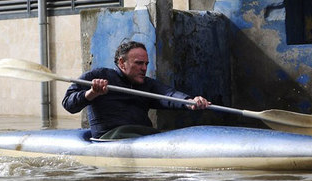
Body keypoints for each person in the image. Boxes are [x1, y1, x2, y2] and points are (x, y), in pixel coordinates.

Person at [62, 41, 210, 139]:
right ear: (122, 62)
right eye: (139, 63)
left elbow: (168, 95)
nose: (144, 68)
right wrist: (91, 93)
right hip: (111, 137)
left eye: (146, 63)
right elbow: (68, 104)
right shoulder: (98, 76)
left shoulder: (146, 84)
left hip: (143, 135)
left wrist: (189, 102)